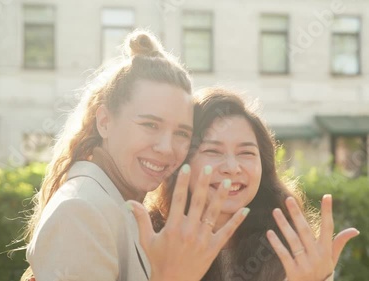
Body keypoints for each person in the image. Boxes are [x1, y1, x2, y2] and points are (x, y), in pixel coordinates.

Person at [20, 31, 248, 281]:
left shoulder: (120, 205)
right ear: (105, 122)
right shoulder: (80, 211)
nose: (166, 147)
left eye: (182, 133)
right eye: (150, 125)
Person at [146, 87, 360, 281]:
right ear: (181, 161)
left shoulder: (293, 251)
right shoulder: (150, 241)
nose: (232, 167)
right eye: (212, 151)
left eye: (246, 152)